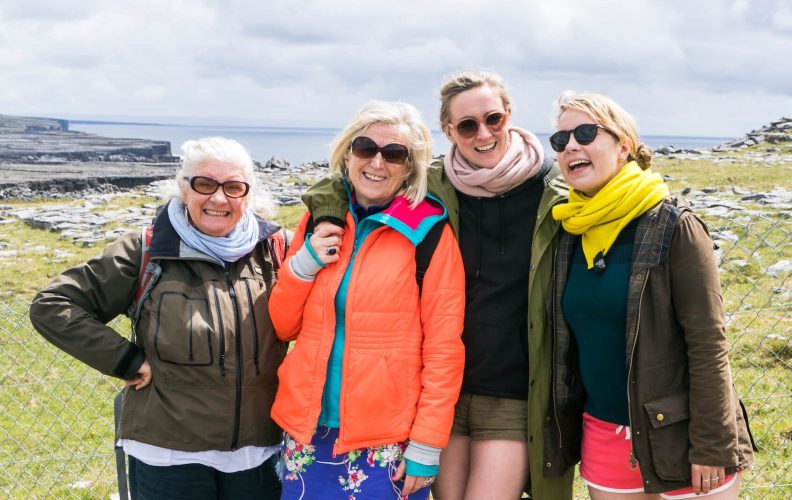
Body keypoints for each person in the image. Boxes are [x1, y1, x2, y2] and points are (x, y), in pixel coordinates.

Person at [300, 72, 579, 500]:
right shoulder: (435, 186)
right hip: (441, 391)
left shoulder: (552, 186)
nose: (483, 133)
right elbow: (346, 180)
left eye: (493, 119)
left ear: (509, 116)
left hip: (516, 388)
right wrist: (326, 217)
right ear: (449, 131)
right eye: (467, 125)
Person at [29, 136, 288, 499]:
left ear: (248, 195)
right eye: (204, 184)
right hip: (168, 457)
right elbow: (53, 305)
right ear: (183, 189)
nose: (218, 198)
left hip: (257, 455)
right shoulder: (146, 249)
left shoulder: (276, 251)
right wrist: (124, 359)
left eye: (233, 187)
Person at [548, 91, 755, 499]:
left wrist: (712, 446)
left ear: (622, 146)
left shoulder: (675, 225)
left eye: (586, 133)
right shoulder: (569, 231)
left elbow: (709, 343)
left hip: (680, 436)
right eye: (560, 140)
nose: (571, 145)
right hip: (603, 435)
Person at [268, 100, 466, 500]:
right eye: (365, 148)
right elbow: (283, 325)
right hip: (309, 431)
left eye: (394, 154)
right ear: (348, 153)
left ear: (410, 167)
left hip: (387, 440)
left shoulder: (429, 234)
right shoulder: (318, 220)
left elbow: (444, 350)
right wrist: (304, 263)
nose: (377, 162)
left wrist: (427, 444)